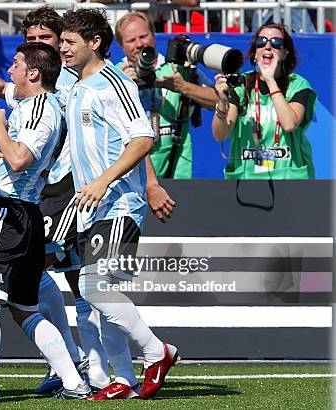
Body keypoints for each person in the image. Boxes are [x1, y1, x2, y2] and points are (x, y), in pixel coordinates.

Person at [0, 42, 92, 404]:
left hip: (5, 212)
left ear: (34, 74)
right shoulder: (32, 102)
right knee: (24, 309)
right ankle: (73, 381)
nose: (10, 71)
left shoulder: (43, 109)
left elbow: (19, 159)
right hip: (21, 214)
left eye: (17, 65)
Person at [60, 9, 180, 400]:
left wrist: (102, 181)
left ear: (95, 43)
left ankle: (156, 351)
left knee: (95, 288)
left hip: (119, 203)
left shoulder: (114, 83)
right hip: (89, 207)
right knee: (105, 297)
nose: (62, 48)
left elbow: (143, 139)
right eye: (61, 41)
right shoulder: (77, 85)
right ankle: (124, 381)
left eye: (69, 41)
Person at [115, 11, 219, 179]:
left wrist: (183, 86)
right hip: (133, 178)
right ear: (122, 46)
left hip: (177, 174)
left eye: (144, 36)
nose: (140, 44)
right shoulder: (116, 74)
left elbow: (218, 101)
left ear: (154, 35)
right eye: (131, 41)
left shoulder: (176, 68)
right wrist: (122, 89)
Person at [212, 23, 316, 179]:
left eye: (276, 43)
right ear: (255, 53)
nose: (268, 46)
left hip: (289, 178)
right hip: (246, 178)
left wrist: (270, 80)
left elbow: (289, 124)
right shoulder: (241, 84)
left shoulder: (298, 85)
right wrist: (222, 102)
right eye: (261, 42)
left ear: (285, 53)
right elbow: (221, 135)